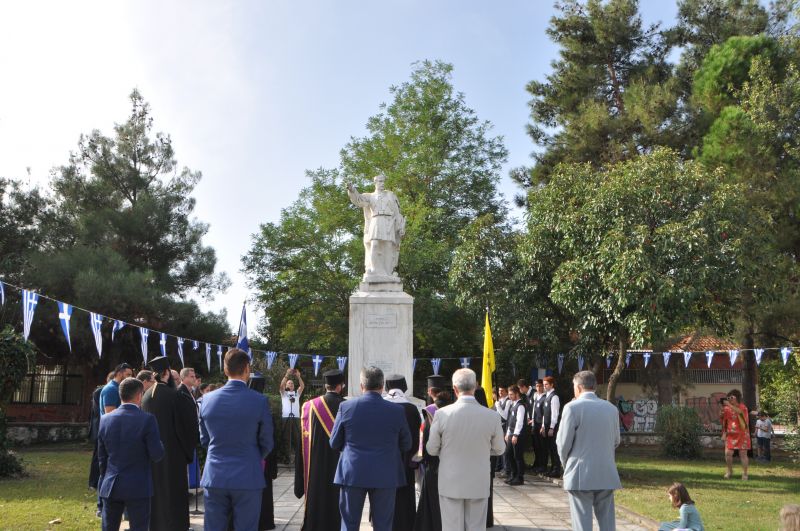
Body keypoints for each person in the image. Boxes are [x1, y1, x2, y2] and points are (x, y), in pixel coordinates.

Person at [200, 348, 274, 531]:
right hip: (247, 474)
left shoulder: (207, 400)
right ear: (247, 368)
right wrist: (253, 456)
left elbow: (204, 440)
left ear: (225, 370)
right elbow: (267, 442)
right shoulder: (259, 401)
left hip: (215, 475)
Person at [330, 366, 411, 531]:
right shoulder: (397, 410)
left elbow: (334, 442)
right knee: (383, 526)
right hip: (385, 473)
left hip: (352, 472)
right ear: (382, 386)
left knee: (349, 525)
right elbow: (407, 444)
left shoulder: (346, 407)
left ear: (361, 386)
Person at [427, 369, 505, 531]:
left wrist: (446, 450)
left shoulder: (442, 414)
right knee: (476, 527)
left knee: (451, 527)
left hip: (450, 480)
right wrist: (483, 450)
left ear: (454, 389)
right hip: (478, 480)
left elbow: (431, 449)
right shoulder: (492, 416)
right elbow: (499, 449)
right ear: (475, 387)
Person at [556, 370, 622, 531]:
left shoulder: (572, 408)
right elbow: (616, 441)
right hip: (606, 471)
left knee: (582, 523)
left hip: (580, 473)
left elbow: (563, 443)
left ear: (578, 388)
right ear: (595, 386)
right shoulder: (611, 409)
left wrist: (567, 464)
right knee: (607, 524)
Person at [97, 377, 165, 531]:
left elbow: (101, 458)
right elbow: (157, 454)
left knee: (109, 527)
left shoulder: (105, 419)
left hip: (111, 483)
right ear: (140, 395)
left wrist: (105, 476)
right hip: (138, 485)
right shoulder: (147, 419)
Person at [141, 356, 199, 531]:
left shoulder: (146, 397)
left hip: (152, 455)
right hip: (173, 455)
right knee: (173, 493)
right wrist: (189, 450)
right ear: (166, 373)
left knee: (157, 491)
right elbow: (187, 426)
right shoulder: (175, 396)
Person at [294, 369, 346, 531]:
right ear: (341, 386)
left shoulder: (309, 406)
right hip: (340, 467)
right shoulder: (348, 407)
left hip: (315, 469)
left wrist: (299, 478)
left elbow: (301, 444)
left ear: (325, 385)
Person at [347, 174, 406, 279]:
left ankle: (388, 272)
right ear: (375, 183)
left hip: (389, 222)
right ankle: (374, 270)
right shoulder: (370, 196)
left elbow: (397, 213)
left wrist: (401, 226)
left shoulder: (390, 195)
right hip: (376, 221)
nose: (382, 184)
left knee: (388, 246)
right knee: (374, 244)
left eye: (383, 181)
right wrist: (352, 190)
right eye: (380, 181)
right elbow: (358, 200)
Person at [383, 374, 422, 531]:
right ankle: (406, 523)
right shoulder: (412, 409)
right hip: (406, 459)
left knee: (384, 494)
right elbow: (417, 436)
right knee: (405, 493)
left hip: (384, 459)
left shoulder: (382, 406)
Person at [415, 377, 451, 531]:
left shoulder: (430, 410)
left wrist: (420, 457)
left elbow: (425, 436)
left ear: (430, 391)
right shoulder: (452, 408)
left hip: (433, 462)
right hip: (449, 460)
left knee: (432, 499)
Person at [88, 371, 113, 491]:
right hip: (100, 427)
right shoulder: (100, 392)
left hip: (101, 426)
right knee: (98, 456)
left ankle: (96, 481)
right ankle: (93, 482)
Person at [722, 388, 750, 480]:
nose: (729, 399)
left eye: (731, 397)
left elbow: (740, 412)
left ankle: (745, 474)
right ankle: (729, 471)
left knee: (743, 454)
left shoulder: (743, 407)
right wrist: (724, 433)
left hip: (742, 434)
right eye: (728, 397)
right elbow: (725, 421)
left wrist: (729, 405)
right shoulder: (726, 408)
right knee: (728, 453)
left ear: (737, 398)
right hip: (730, 434)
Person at [504, 384, 528, 485]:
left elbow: (519, 422)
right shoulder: (513, 405)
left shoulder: (521, 405)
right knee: (509, 454)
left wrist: (515, 435)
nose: (509, 396)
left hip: (518, 435)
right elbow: (510, 421)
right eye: (509, 394)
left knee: (518, 456)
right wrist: (508, 433)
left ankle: (520, 477)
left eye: (511, 394)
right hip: (511, 434)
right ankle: (513, 475)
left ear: (517, 394)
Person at [280, 368, 305, 460]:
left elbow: (302, 386)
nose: (290, 384)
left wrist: (298, 377)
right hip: (286, 417)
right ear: (287, 385)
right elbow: (281, 386)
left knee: (297, 438)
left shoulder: (296, 393)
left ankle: (297, 458)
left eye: (292, 383)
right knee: (286, 438)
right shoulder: (284, 393)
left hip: (296, 417)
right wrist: (287, 374)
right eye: (289, 383)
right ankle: (286, 457)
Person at [541, 376, 562, 477]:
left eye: (546, 384)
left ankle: (556, 469)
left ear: (552, 385)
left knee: (554, 448)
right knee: (549, 448)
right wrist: (543, 426)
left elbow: (555, 414)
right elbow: (545, 413)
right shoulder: (547, 396)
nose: (544, 386)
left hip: (552, 427)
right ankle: (552, 468)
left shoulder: (554, 397)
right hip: (546, 426)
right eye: (544, 384)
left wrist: (552, 428)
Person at [531, 379, 547, 473]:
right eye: (537, 386)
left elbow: (545, 413)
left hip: (541, 424)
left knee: (542, 446)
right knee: (536, 446)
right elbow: (534, 410)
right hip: (536, 424)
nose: (539, 388)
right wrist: (533, 422)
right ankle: (537, 464)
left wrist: (543, 425)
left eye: (540, 386)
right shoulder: (536, 396)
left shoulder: (545, 397)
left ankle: (543, 466)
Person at [493, 386, 510, 474]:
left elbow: (505, 416)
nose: (500, 392)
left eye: (502, 391)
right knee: (498, 447)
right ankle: (499, 465)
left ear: (506, 392)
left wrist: (498, 407)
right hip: (498, 426)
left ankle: (506, 468)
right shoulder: (499, 401)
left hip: (505, 427)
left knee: (504, 448)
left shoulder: (508, 402)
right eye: (499, 391)